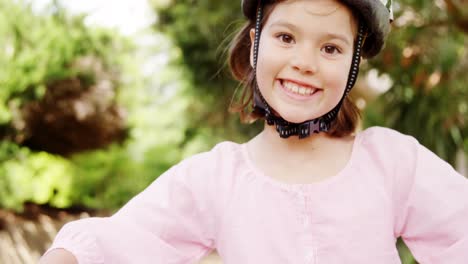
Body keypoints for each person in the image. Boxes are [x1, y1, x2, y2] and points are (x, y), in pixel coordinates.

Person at [40, 0, 468, 263]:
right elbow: (122, 241)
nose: (305, 61)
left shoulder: (392, 163)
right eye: (286, 37)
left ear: (353, 64)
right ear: (255, 41)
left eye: (331, 48)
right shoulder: (215, 177)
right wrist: (68, 257)